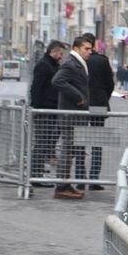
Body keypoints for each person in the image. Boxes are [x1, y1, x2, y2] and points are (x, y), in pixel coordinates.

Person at [51, 36, 92, 200]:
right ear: (76, 49)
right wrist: (78, 97)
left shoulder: (79, 63)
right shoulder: (70, 63)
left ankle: (65, 184)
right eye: (86, 49)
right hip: (70, 116)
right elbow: (57, 81)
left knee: (70, 152)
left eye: (90, 49)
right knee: (67, 151)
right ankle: (61, 186)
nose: (89, 52)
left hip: (75, 116)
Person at [79, 32, 114, 191]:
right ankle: (94, 179)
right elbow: (110, 84)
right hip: (99, 103)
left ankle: (79, 179)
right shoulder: (102, 60)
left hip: (81, 104)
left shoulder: (79, 61)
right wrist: (103, 97)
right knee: (97, 143)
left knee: (80, 142)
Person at [29, 40, 65, 186]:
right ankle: (35, 175)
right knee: (41, 143)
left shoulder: (53, 65)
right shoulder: (43, 65)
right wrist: (36, 109)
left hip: (50, 109)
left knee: (46, 143)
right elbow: (36, 88)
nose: (62, 56)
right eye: (60, 53)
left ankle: (38, 173)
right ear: (53, 52)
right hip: (44, 109)